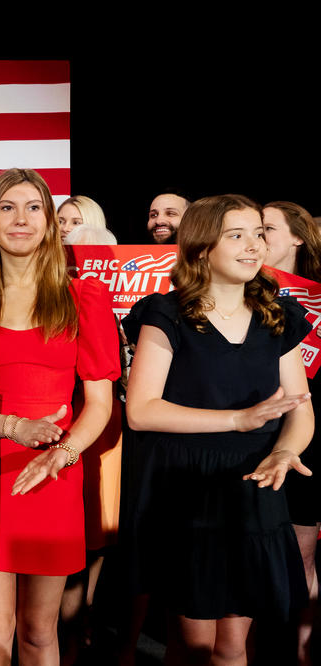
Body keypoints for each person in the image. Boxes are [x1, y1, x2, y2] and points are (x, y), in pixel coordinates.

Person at [121, 194, 312, 664]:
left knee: (231, 646)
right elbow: (141, 410)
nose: (254, 246)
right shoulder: (165, 314)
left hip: (254, 482)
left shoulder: (277, 316)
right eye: (237, 235)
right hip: (185, 489)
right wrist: (237, 420)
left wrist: (286, 452)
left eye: (259, 234)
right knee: (193, 644)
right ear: (203, 247)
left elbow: (300, 409)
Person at [0, 168, 119, 664]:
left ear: (49, 220)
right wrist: (10, 427)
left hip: (55, 471)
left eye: (33, 207)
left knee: (41, 634)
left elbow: (100, 404)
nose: (21, 219)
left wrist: (60, 455)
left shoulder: (85, 298)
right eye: (7, 208)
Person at [262, 199, 321, 665]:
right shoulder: (244, 291)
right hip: (261, 434)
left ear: (298, 236)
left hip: (312, 437)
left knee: (302, 557)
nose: (259, 239)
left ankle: (301, 650)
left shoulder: (318, 294)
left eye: (267, 229)